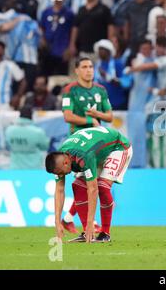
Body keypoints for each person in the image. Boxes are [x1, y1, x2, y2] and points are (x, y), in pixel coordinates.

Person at [45, 126, 133, 243]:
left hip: (117, 148)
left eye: (61, 172)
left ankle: (105, 234)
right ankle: (87, 232)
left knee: (102, 187)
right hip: (97, 152)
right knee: (78, 186)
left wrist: (91, 222)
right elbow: (59, 190)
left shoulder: (83, 156)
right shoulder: (61, 159)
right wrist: (57, 221)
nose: (61, 175)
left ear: (66, 162)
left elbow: (93, 190)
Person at [60, 57, 113, 234]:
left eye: (91, 66)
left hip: (98, 144)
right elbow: (68, 116)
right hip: (79, 145)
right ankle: (88, 222)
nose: (89, 70)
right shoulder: (70, 91)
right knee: (86, 182)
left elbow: (109, 116)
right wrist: (91, 120)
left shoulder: (101, 90)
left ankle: (68, 219)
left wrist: (97, 114)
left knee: (90, 182)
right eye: (84, 67)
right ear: (77, 70)